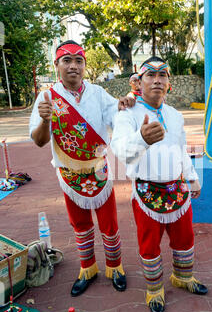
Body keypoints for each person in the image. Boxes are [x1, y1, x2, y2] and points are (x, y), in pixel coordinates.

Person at [29, 40, 135, 297]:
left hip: (99, 171)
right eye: (67, 60)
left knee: (109, 223)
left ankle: (114, 266)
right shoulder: (46, 98)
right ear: (56, 65)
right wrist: (45, 120)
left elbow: (117, 116)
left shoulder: (98, 93)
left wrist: (127, 103)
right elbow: (40, 140)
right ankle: (87, 268)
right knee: (80, 224)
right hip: (70, 174)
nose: (73, 66)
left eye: (79, 60)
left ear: (85, 65)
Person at [111, 56, 208, 312]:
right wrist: (140, 138)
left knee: (184, 237)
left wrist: (191, 177)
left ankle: (183, 277)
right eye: (150, 75)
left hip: (177, 189)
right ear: (138, 82)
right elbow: (119, 150)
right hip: (146, 192)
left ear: (169, 82)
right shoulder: (127, 113)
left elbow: (181, 150)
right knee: (149, 244)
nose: (157, 80)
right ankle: (154, 289)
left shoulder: (175, 116)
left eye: (162, 74)